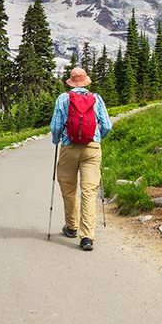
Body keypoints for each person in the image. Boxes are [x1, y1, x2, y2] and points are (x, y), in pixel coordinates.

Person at [50, 66, 112, 251]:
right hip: (92, 149)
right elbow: (107, 125)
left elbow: (55, 127)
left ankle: (71, 227)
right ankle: (87, 237)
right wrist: (96, 137)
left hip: (69, 148)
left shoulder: (63, 98)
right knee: (89, 191)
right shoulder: (96, 98)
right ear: (86, 82)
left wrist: (57, 140)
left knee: (68, 189)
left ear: (71, 82)